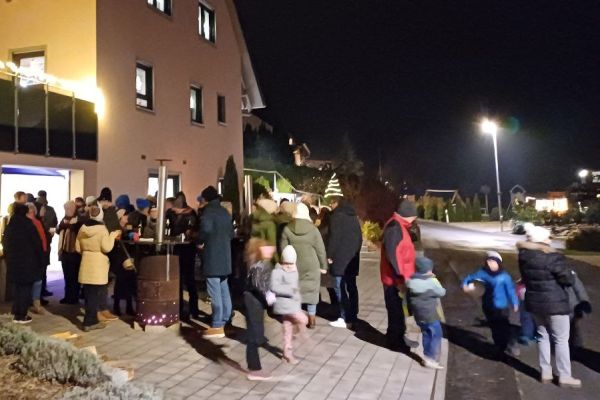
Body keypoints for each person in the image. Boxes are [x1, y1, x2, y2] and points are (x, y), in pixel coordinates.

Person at [518, 223, 580, 388]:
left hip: (535, 302)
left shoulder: (524, 256)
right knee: (561, 340)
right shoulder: (552, 257)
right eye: (547, 238)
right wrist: (570, 274)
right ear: (541, 240)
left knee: (542, 336)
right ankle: (565, 376)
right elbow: (567, 279)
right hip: (555, 303)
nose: (550, 240)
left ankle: (545, 372)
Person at [462, 251, 520, 356]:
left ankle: (510, 344)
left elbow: (510, 290)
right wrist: (465, 285)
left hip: (501, 307)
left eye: (493, 261)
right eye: (489, 261)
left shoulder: (504, 276)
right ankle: (499, 346)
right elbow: (469, 277)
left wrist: (515, 302)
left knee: (504, 326)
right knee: (494, 327)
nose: (491, 264)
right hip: (488, 306)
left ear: (498, 263)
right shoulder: (482, 273)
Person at [380, 200, 419, 349]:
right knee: (396, 311)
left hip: (398, 278)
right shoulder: (395, 228)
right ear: (408, 215)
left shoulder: (398, 226)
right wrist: (400, 279)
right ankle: (396, 342)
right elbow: (393, 256)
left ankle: (396, 337)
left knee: (398, 311)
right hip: (395, 280)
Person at [280, 203, 327, 329]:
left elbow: (283, 248)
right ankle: (312, 319)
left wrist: (284, 264)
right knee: (312, 291)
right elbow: (320, 249)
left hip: (294, 264)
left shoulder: (287, 228)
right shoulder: (313, 229)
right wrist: (323, 266)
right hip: (311, 265)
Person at [76, 206, 120, 331]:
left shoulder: (83, 228)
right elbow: (106, 247)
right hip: (98, 265)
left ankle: (91, 320)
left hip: (86, 262)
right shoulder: (102, 229)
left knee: (89, 294)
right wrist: (113, 235)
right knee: (95, 296)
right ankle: (89, 322)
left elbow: (78, 248)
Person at [197, 186, 234, 338]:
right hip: (225, 256)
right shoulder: (224, 212)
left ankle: (217, 325)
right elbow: (231, 234)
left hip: (212, 256)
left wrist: (199, 241)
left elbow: (205, 231)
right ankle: (226, 320)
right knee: (224, 289)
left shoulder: (208, 212)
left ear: (205, 199)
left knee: (214, 291)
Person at [2, 204, 44, 324]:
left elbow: (5, 242)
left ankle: (15, 311)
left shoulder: (10, 226)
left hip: (13, 262)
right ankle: (21, 315)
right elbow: (37, 244)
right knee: (25, 289)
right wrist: (41, 260)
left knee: (16, 288)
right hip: (28, 262)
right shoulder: (28, 225)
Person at [327, 195, 362, 329]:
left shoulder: (336, 217)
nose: (330, 205)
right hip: (352, 258)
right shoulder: (353, 217)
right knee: (352, 287)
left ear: (337, 203)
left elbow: (334, 238)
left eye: (332, 203)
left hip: (340, 258)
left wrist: (330, 255)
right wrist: (355, 252)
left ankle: (345, 317)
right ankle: (353, 314)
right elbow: (359, 238)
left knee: (339, 287)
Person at [244, 239, 276, 381]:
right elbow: (258, 282)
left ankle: (254, 367)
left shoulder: (263, 263)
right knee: (254, 334)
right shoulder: (259, 264)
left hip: (256, 301)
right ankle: (254, 369)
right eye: (267, 247)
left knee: (256, 332)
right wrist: (268, 293)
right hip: (253, 301)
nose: (272, 249)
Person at [270, 245, 308, 364]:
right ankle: (296, 335)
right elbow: (274, 287)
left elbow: (295, 286)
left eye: (291, 263)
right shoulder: (277, 271)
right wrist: (290, 291)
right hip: (284, 305)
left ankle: (287, 353)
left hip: (293, 305)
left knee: (287, 329)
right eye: (287, 263)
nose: (289, 266)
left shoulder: (294, 269)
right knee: (304, 319)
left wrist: (297, 298)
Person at [407, 256, 446, 369]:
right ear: (428, 270)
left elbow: (407, 298)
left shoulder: (410, 281)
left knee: (426, 333)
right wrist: (434, 280)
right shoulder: (432, 282)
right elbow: (441, 292)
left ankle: (427, 356)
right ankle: (431, 359)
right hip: (430, 315)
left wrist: (409, 312)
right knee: (436, 334)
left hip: (419, 315)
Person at [167, 191, 199, 320]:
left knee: (188, 279)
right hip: (181, 248)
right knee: (182, 279)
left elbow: (194, 230)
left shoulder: (189, 213)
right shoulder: (173, 213)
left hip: (186, 248)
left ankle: (191, 308)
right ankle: (185, 308)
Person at [96, 187, 121, 322]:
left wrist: (117, 233)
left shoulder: (111, 211)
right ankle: (97, 310)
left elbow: (115, 227)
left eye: (108, 201)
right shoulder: (95, 212)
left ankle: (103, 308)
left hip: (109, 250)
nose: (106, 203)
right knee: (97, 282)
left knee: (105, 281)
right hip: (98, 252)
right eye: (104, 201)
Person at [57, 201, 83, 305]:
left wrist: (70, 226)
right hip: (64, 251)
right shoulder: (64, 218)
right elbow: (58, 230)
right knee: (67, 276)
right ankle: (67, 296)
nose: (67, 210)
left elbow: (80, 231)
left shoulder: (79, 219)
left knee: (74, 277)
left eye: (69, 208)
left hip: (74, 252)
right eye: (66, 209)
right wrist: (63, 225)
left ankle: (74, 297)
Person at [26, 202, 49, 314]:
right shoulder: (31, 223)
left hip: (38, 254)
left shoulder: (36, 222)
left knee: (37, 280)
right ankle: (35, 303)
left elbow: (42, 238)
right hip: (34, 255)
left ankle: (34, 302)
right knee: (36, 280)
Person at [36, 190, 57, 298]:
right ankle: (43, 289)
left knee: (38, 268)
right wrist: (51, 233)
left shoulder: (35, 208)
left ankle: (39, 292)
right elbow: (55, 223)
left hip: (38, 242)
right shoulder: (51, 209)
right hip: (47, 239)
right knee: (43, 266)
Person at [565, 269, 591, 350]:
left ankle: (577, 348)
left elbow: (578, 287)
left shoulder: (569, 273)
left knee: (573, 329)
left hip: (572, 308)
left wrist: (584, 301)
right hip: (563, 307)